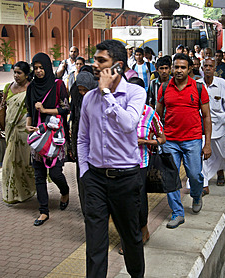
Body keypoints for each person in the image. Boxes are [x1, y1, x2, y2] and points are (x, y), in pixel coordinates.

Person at [78, 40, 146, 277]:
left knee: (131, 239)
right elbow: (82, 139)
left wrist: (107, 93)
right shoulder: (88, 99)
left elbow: (128, 124)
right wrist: (84, 173)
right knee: (95, 243)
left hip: (126, 179)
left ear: (117, 66)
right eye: (94, 59)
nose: (94, 65)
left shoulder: (136, 92)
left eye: (100, 60)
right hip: (95, 179)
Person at [156, 53, 212, 229]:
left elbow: (207, 116)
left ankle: (196, 195)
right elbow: (157, 115)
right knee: (170, 178)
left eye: (183, 67)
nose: (178, 70)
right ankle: (177, 213)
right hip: (170, 141)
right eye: (176, 67)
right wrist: (157, 136)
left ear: (189, 69)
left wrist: (207, 143)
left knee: (195, 175)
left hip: (192, 140)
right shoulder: (164, 88)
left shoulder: (199, 88)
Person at [117, 76, 166, 255]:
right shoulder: (118, 111)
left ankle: (142, 230)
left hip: (141, 164)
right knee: (123, 202)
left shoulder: (150, 113)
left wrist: (145, 141)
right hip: (120, 164)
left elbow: (162, 138)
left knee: (139, 201)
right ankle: (129, 238)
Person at [25, 52, 70, 226]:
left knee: (56, 172)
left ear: (47, 67)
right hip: (37, 136)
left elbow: (66, 109)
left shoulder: (58, 85)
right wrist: (28, 126)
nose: (38, 71)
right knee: (39, 175)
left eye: (41, 68)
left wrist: (45, 111)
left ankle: (64, 191)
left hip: (55, 136)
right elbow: (30, 110)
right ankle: (43, 211)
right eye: (35, 68)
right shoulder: (31, 87)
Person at [2, 61, 36, 203]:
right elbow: (4, 107)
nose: (16, 75)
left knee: (24, 163)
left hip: (24, 131)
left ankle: (26, 191)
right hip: (11, 129)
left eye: (19, 73)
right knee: (9, 164)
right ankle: (11, 194)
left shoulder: (31, 88)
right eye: (14, 72)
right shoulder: (8, 87)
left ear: (27, 75)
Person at [198, 58, 225, 187]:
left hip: (219, 126)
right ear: (202, 69)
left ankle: (220, 171)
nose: (208, 68)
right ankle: (204, 183)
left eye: (210, 66)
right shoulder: (197, 85)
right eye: (205, 66)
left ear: (214, 69)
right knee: (203, 155)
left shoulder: (222, 83)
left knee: (223, 154)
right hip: (202, 127)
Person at [69, 71, 98, 215]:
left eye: (85, 90)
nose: (82, 93)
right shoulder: (77, 99)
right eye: (80, 90)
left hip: (97, 149)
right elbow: (74, 124)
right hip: (82, 147)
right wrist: (74, 149)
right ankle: (86, 211)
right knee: (82, 179)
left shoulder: (100, 98)